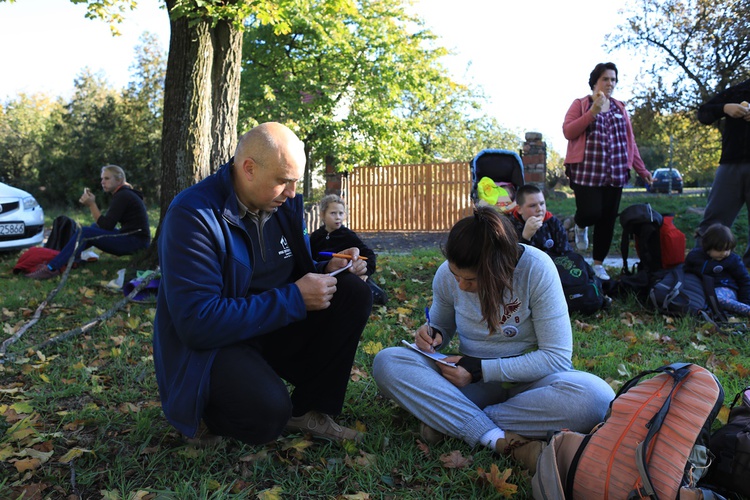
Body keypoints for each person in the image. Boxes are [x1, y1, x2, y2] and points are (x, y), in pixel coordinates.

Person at [153, 122, 373, 446]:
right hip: (217, 344)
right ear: (249, 169)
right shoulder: (193, 215)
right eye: (283, 181)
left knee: (352, 293)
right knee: (268, 414)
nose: (292, 193)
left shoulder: (284, 204)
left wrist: (326, 267)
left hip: (272, 326)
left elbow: (288, 268)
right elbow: (196, 322)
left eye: (295, 181)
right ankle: (204, 413)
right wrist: (296, 299)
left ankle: (308, 410)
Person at [371, 206, 614, 474]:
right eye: (456, 276)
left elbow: (556, 357)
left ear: (500, 269)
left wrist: (480, 369)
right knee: (388, 361)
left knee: (597, 398)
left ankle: (449, 420)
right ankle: (498, 438)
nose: (461, 285)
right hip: (471, 384)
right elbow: (441, 324)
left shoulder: (537, 269)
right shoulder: (446, 275)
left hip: (533, 386)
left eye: (472, 280)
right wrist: (434, 335)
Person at [562, 62, 653, 281]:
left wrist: (642, 170)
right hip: (586, 172)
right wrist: (592, 112)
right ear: (595, 81)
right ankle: (579, 224)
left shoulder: (620, 107)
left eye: (613, 79)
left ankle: (598, 263)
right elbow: (568, 131)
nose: (610, 83)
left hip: (616, 172)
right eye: (605, 79)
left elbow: (629, 142)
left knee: (607, 219)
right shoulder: (581, 104)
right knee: (591, 212)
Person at [27, 165, 150, 279]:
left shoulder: (123, 196)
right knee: (93, 227)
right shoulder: (125, 194)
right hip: (135, 239)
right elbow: (104, 225)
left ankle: (52, 268)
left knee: (85, 232)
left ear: (119, 180)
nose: (102, 182)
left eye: (107, 178)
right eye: (102, 178)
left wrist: (92, 204)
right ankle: (70, 259)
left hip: (135, 242)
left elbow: (107, 225)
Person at [696, 80, 750, 267]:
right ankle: (700, 264)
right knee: (713, 221)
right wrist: (726, 108)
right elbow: (703, 113)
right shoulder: (737, 91)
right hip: (731, 164)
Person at [310, 194, 388, 305]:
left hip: (347, 274)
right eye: (333, 213)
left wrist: (366, 271)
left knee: (373, 294)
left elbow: (368, 254)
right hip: (323, 275)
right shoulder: (315, 236)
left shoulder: (348, 235)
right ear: (323, 214)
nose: (338, 217)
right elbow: (310, 258)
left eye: (341, 213)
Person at [685, 223, 750, 317]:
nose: (724, 253)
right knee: (701, 302)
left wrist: (745, 302)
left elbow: (744, 280)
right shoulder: (695, 257)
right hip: (701, 290)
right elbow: (686, 272)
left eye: (728, 250)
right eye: (720, 250)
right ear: (708, 246)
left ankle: (745, 310)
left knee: (716, 298)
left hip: (724, 289)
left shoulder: (732, 260)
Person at [507, 184, 571, 255]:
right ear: (519, 209)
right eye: (532, 206)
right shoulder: (510, 227)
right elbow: (512, 260)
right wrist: (525, 238)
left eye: (542, 204)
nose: (539, 209)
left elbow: (566, 253)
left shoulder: (553, 222)